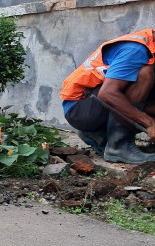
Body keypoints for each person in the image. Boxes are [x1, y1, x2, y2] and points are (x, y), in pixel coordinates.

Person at [60, 29, 155, 164]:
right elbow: (108, 94)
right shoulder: (136, 50)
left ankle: (99, 134)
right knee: (144, 74)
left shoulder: (150, 48)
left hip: (92, 105)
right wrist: (149, 123)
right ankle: (118, 147)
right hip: (80, 108)